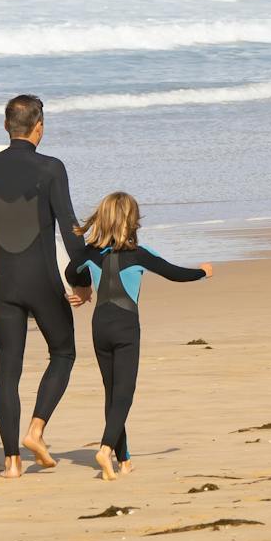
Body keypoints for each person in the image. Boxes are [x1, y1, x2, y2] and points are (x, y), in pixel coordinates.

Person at [0, 94, 89, 478]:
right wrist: (82, 278)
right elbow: (70, 228)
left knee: (7, 370)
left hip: (1, 283)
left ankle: (11, 463)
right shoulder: (51, 168)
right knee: (64, 353)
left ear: (6, 127)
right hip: (41, 279)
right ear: (39, 127)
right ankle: (36, 431)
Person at [66, 191, 212, 479]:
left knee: (112, 393)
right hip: (125, 327)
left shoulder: (89, 253)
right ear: (132, 221)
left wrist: (84, 289)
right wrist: (203, 272)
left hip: (100, 328)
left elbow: (72, 272)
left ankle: (125, 458)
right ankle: (106, 449)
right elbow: (175, 273)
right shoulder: (140, 254)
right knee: (124, 393)